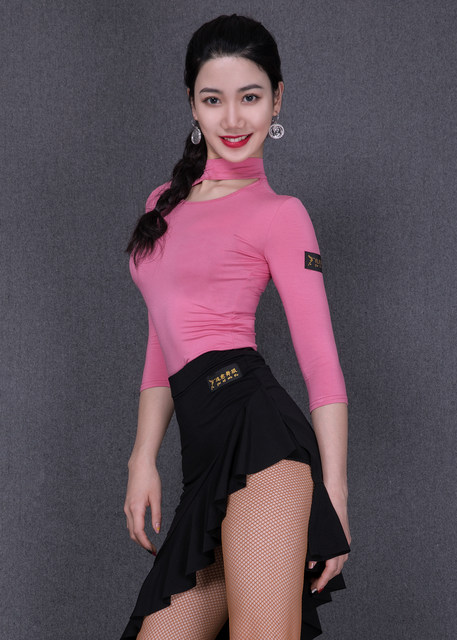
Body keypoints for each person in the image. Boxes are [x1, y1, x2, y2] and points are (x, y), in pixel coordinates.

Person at [120, 13, 351, 640]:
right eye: (212, 99)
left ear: (277, 99)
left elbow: (320, 363)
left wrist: (334, 496)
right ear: (192, 105)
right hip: (203, 461)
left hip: (262, 443)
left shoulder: (282, 215)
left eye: (249, 97)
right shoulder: (162, 204)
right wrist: (143, 456)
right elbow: (163, 335)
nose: (232, 119)